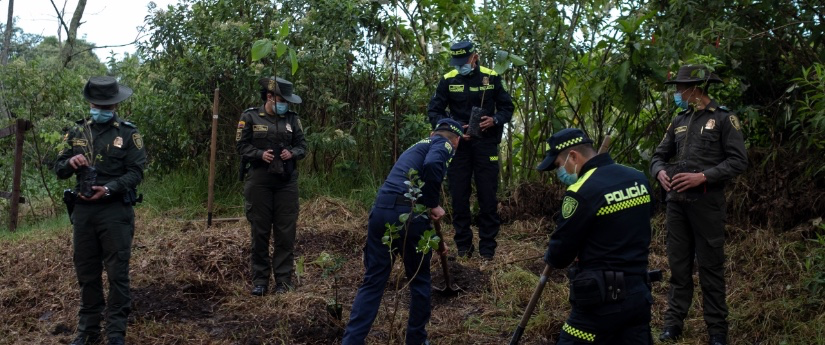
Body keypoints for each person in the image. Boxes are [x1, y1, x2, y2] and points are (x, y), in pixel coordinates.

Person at [342, 119, 463, 345]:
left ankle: (351, 341)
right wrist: (433, 202)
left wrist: (436, 242)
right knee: (419, 280)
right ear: (456, 140)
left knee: (373, 281)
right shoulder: (444, 144)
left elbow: (414, 211)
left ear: (431, 132)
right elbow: (433, 165)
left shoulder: (418, 144)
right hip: (407, 213)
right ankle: (416, 340)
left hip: (381, 211)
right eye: (457, 143)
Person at [650, 65, 747, 345]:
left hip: (707, 204)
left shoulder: (724, 119)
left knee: (710, 268)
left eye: (681, 89)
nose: (678, 94)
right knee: (678, 267)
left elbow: (738, 161)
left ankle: (717, 331)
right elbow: (658, 155)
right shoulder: (679, 120)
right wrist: (659, 172)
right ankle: (672, 326)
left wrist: (702, 176)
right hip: (676, 205)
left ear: (695, 89)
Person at [538, 128, 654, 344]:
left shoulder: (581, 192)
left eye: (557, 165)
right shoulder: (637, 178)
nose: (559, 172)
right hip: (639, 295)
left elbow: (561, 255)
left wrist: (553, 253)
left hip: (601, 302)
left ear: (573, 156)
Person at [55, 76, 147, 345]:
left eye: (107, 105)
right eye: (98, 104)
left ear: (115, 105)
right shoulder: (76, 132)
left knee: (117, 272)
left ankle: (116, 331)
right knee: (86, 271)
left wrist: (108, 189)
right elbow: (58, 168)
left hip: (115, 210)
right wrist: (71, 162)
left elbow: (136, 172)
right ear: (91, 103)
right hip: (83, 211)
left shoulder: (129, 133)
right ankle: (88, 330)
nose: (102, 109)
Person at [427, 40, 514, 260]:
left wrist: (494, 120)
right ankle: (464, 248)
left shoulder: (491, 77)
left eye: (463, 61)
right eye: (455, 62)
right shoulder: (448, 80)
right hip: (458, 146)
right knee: (459, 196)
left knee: (487, 196)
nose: (459, 66)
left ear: (473, 57)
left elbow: (507, 108)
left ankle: (487, 251)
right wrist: (452, 128)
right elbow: (434, 112)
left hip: (486, 145)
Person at [236, 76, 307, 296]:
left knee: (285, 232)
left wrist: (292, 153)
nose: (285, 104)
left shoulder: (292, 119)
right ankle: (260, 280)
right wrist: (259, 154)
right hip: (259, 182)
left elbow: (303, 146)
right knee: (260, 232)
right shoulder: (250, 116)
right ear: (269, 97)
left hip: (286, 183)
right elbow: (241, 145)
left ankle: (283, 281)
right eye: (281, 99)